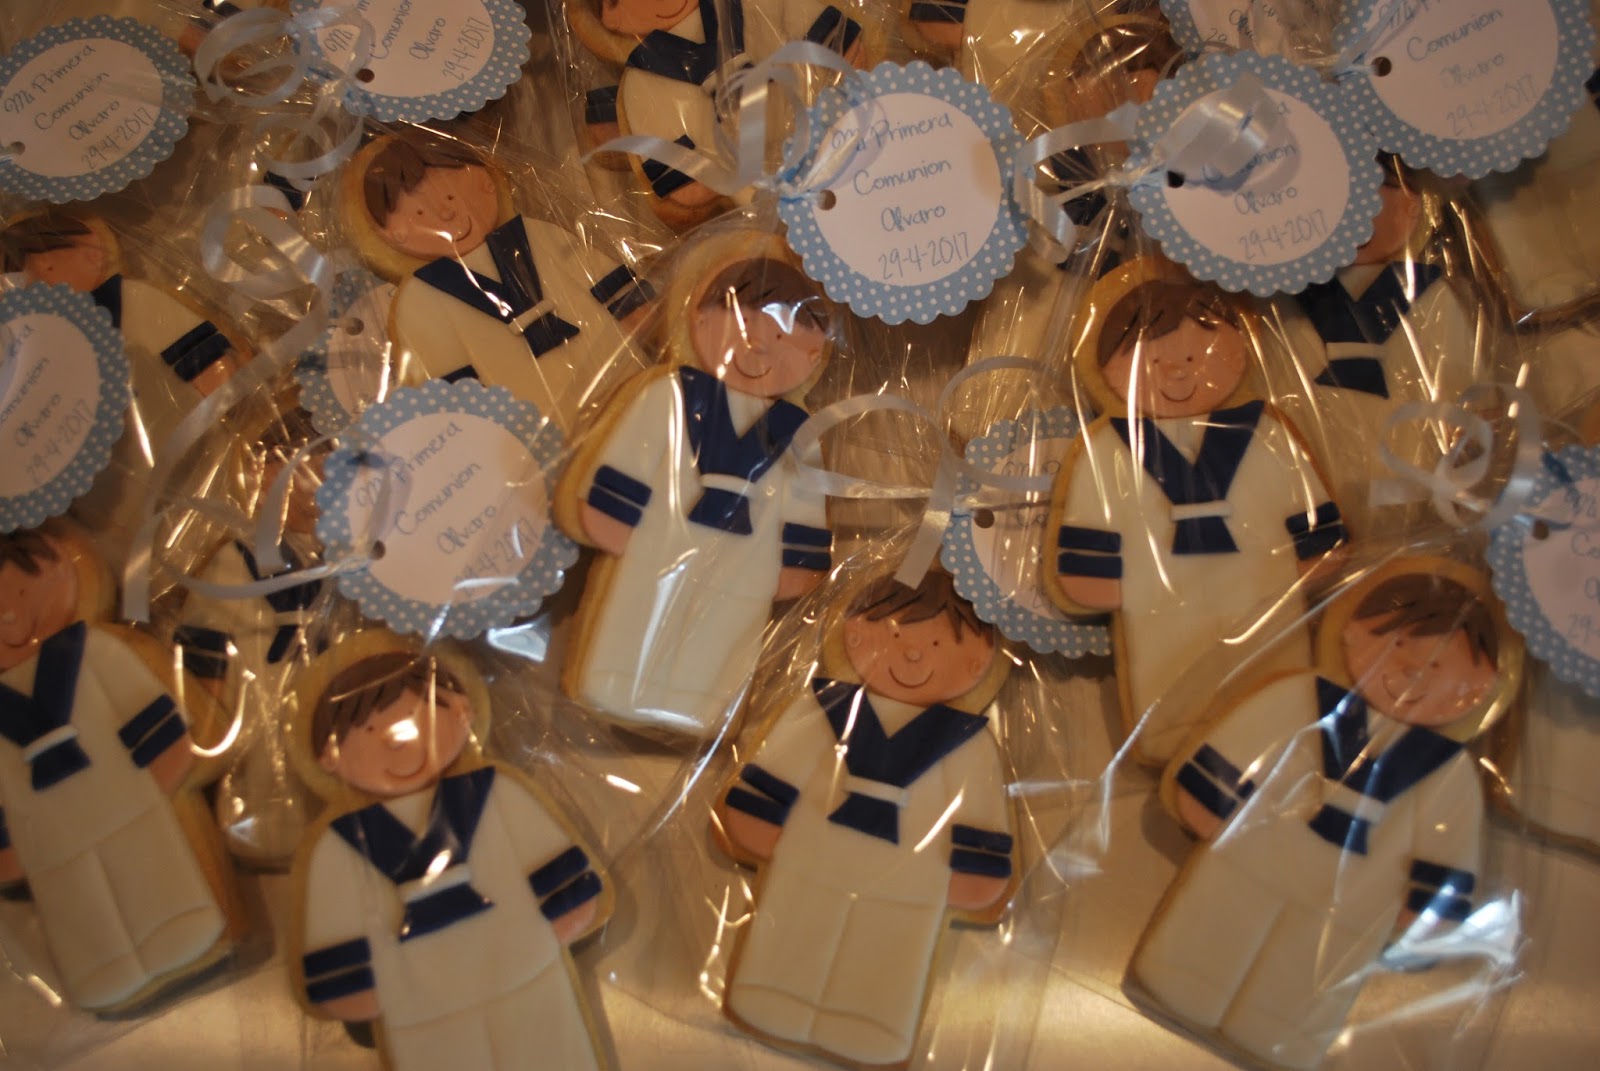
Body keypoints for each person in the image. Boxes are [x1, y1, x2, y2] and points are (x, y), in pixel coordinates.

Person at [1131, 564, 1513, 1071]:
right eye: (1399, 644)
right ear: (1352, 632)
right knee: (1206, 940)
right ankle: (1182, 980)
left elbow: (1448, 847)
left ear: (1480, 686)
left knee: (1298, 986)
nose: (1411, 670)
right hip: (1249, 862)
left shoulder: (1447, 772)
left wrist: (1423, 911)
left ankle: (1278, 1029)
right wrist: (1213, 809)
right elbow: (1239, 748)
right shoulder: (1301, 698)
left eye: (1437, 665)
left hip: (1346, 910)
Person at [1050, 259, 1345, 764]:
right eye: (1153, 360)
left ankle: (1282, 743)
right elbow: (1089, 532)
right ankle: (1174, 743)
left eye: (1192, 354)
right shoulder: (1107, 450)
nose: (1178, 371)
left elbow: (1311, 517)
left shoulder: (1267, 432)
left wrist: (1313, 556)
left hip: (1262, 594)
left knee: (1272, 681)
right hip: (1161, 609)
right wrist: (1102, 578)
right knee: (1169, 684)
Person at [716, 571, 1014, 1067]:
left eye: (936, 643)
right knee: (794, 920)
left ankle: (872, 1022)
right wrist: (759, 812)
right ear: (853, 633)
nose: (913, 653)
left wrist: (975, 868)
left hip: (911, 880)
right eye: (896, 634)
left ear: (978, 662)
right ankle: (769, 993)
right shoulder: (823, 708)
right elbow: (784, 764)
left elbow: (978, 807)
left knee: (890, 947)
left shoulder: (968, 744)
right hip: (812, 855)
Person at [561, 238, 833, 738]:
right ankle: (617, 684)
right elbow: (636, 451)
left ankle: (704, 708)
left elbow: (804, 503)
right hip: (660, 542)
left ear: (814, 352)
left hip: (746, 564)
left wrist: (798, 560)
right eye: (745, 328)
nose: (759, 348)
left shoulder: (799, 434)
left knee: (722, 631)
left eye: (781, 336)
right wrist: (613, 513)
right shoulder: (669, 394)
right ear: (699, 318)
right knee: (638, 612)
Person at [294, 647, 609, 1071]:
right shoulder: (337, 844)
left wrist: (566, 905)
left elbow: (545, 856)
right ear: (329, 756)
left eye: (416, 716)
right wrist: (350, 984)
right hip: (421, 1008)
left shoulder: (496, 792)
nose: (395, 741)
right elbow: (335, 917)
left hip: (521, 968)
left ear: (462, 712)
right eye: (368, 730)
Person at [0, 527, 230, 1010]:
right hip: (53, 845)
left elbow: (154, 721)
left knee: (155, 881)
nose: (10, 614)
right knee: (80, 909)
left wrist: (154, 788)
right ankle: (100, 967)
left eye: (21, 592)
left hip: (131, 811)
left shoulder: (98, 654)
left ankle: (180, 929)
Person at [348, 134, 653, 431]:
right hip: (530, 418)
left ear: (487, 183)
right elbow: (444, 376)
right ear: (393, 235)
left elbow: (600, 275)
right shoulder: (419, 301)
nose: (446, 211)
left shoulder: (537, 234)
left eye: (451, 196)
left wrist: (640, 315)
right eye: (418, 212)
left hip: (618, 368)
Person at [2, 211, 246, 552]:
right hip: (122, 509)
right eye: (28, 272)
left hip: (203, 450)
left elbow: (198, 353)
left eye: (51, 262)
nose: (43, 274)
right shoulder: (38, 363)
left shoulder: (132, 300)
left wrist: (222, 400)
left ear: (96, 251)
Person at [1269, 158, 1484, 538]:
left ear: (1413, 204)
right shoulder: (1284, 309)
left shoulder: (1432, 295)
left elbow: (1464, 380)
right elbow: (1280, 392)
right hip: (1331, 475)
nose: (1354, 217)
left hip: (1427, 474)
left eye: (1372, 192)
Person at [175, 408, 329, 866]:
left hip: (333, 686)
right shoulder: (237, 557)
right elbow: (203, 644)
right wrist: (211, 719)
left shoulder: (352, 557)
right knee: (266, 763)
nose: (311, 491)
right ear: (260, 478)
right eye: (292, 472)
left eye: (326, 473)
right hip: (259, 686)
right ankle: (269, 829)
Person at [589, 0, 866, 221]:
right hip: (746, 186)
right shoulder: (643, 80)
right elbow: (677, 172)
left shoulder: (749, 6)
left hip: (825, 132)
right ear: (611, 14)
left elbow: (820, 30)